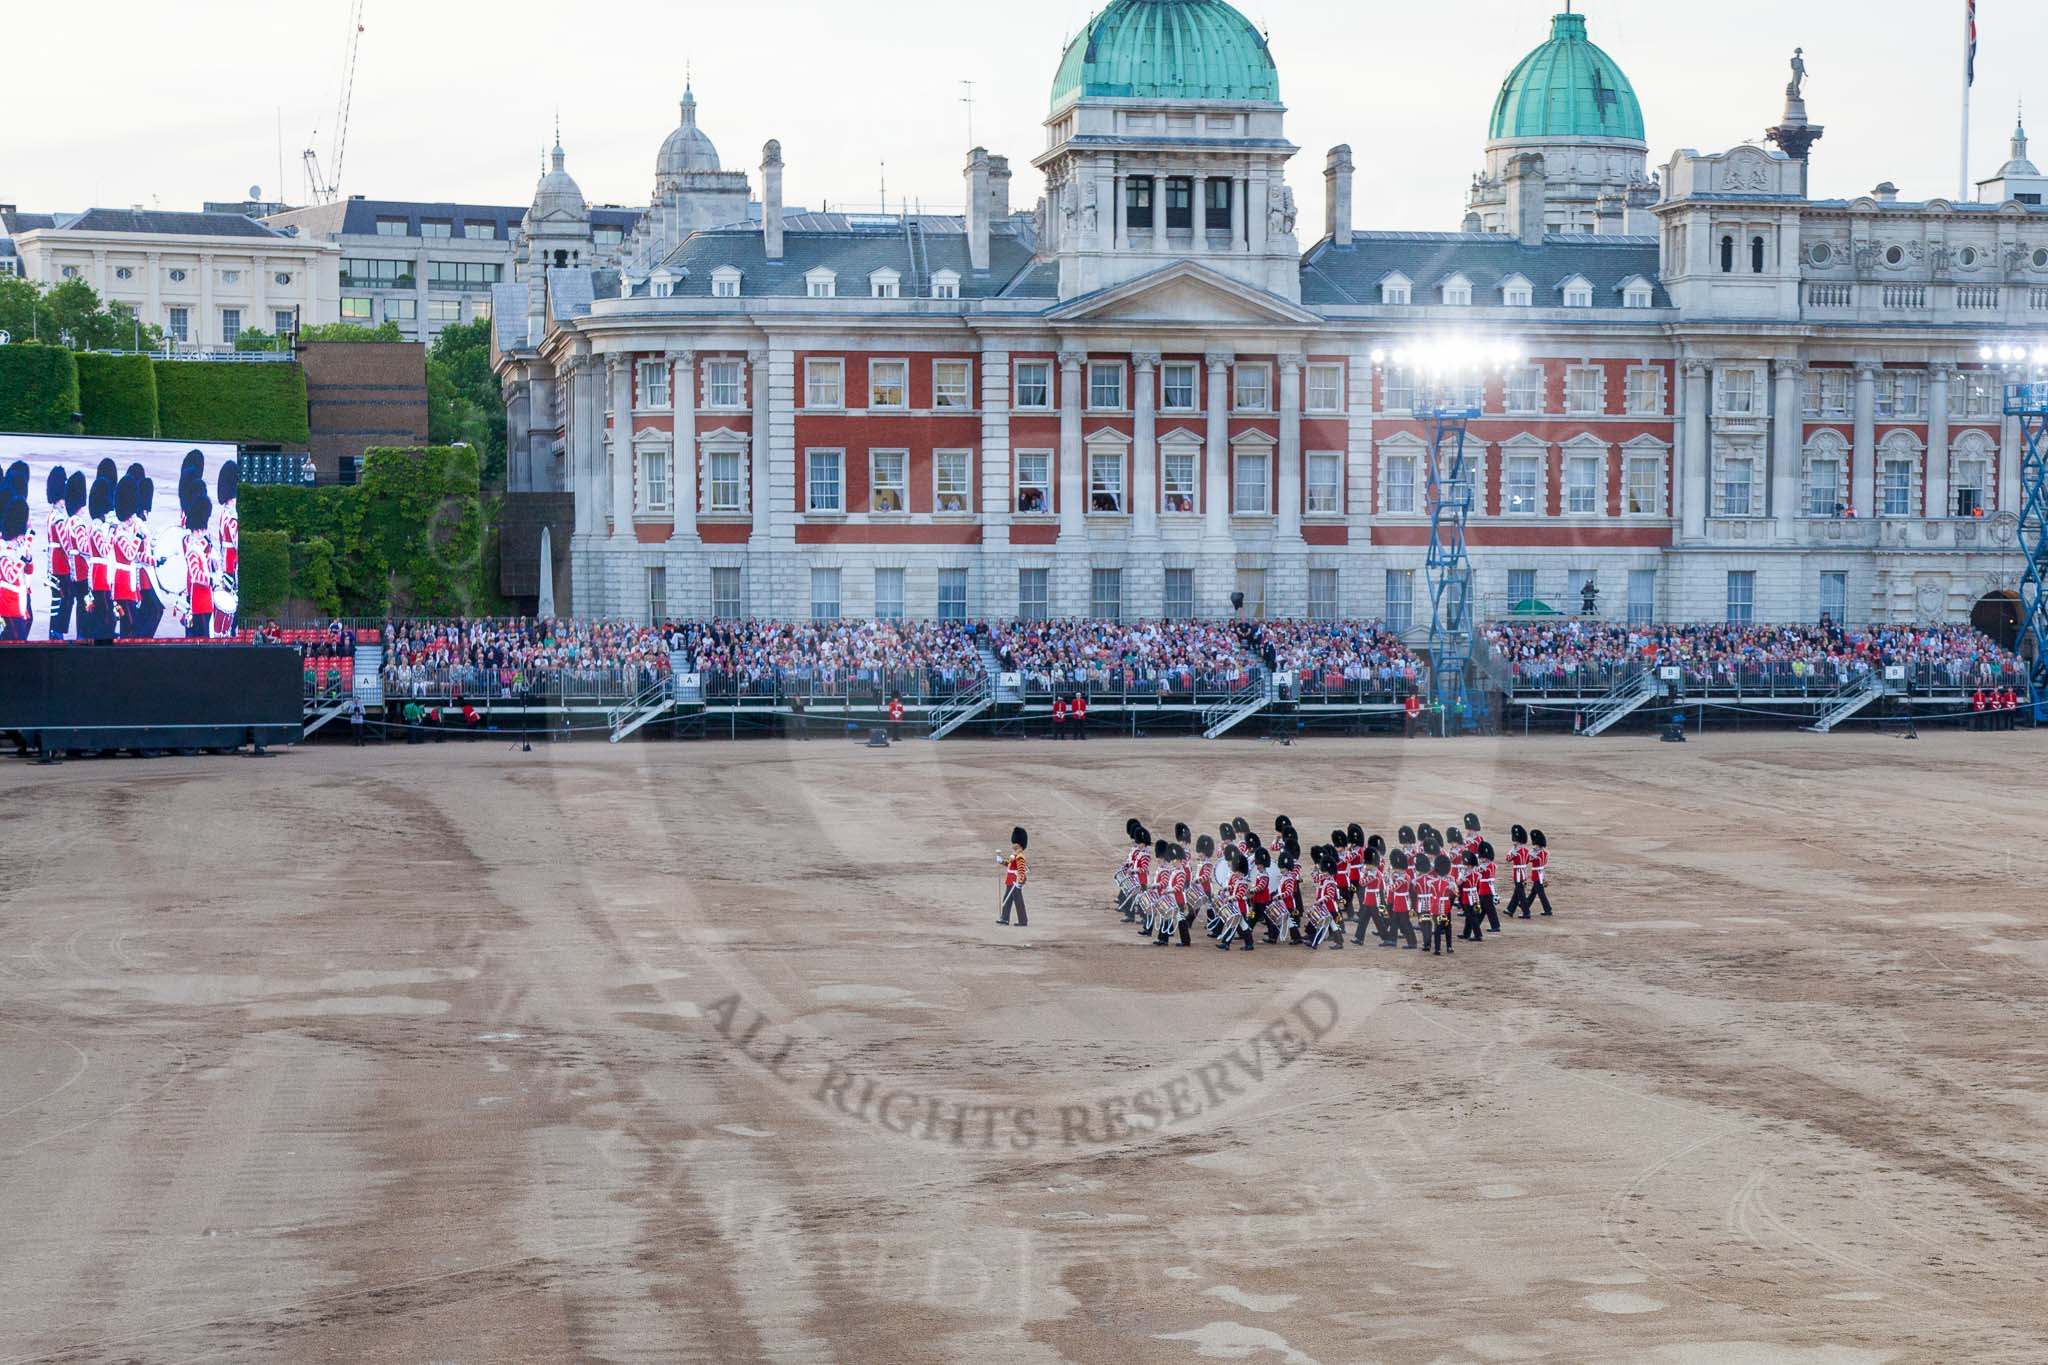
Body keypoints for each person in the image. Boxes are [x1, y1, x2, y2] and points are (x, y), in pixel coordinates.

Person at [998, 827, 1029, 926]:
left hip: (1015, 881)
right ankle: (1005, 918)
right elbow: (1010, 865)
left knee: (1018, 901)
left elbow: (1021, 870)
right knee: (1007, 899)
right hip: (1011, 880)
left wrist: (1020, 882)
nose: (1013, 845)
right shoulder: (1015, 856)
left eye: (1015, 843)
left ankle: (1023, 920)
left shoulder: (1020, 857)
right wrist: (1001, 861)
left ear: (1019, 844)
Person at [1507, 824, 1533, 919]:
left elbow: (1508, 859)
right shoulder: (1526, 850)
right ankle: (1510, 909)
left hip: (1518, 872)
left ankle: (1526, 912)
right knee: (1518, 892)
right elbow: (1528, 860)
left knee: (1520, 894)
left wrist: (1513, 851)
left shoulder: (1515, 850)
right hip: (1523, 872)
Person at [1528, 829, 1555, 916]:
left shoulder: (1537, 854)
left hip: (1537, 875)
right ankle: (1526, 905)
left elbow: (1527, 860)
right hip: (1541, 873)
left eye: (1536, 845)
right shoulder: (1544, 853)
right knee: (1533, 892)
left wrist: (1532, 852)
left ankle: (1548, 909)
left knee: (1541, 894)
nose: (1534, 846)